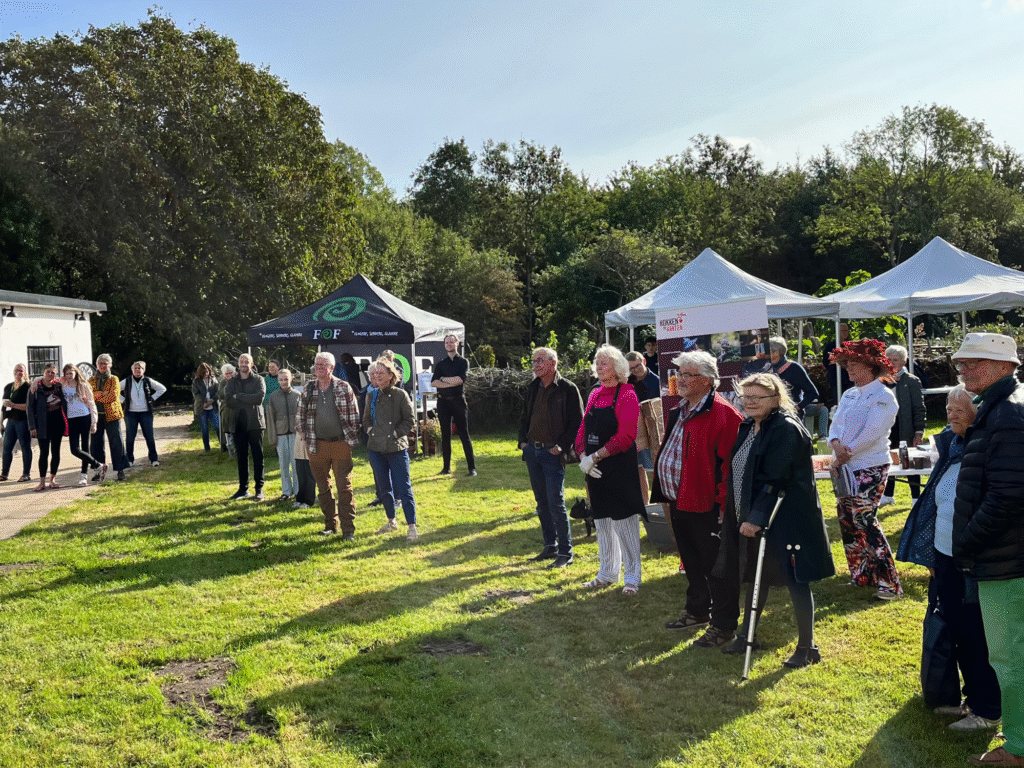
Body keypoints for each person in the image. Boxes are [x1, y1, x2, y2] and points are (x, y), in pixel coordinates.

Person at [897, 384, 1001, 732]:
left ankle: (988, 709)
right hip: (946, 557)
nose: (950, 414)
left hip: (974, 559)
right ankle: (969, 699)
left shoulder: (987, 449)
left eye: (959, 408)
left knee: (978, 633)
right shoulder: (954, 446)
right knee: (956, 628)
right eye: (947, 406)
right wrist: (934, 554)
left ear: (980, 413)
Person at [713, 373, 835, 667]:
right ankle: (747, 636)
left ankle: (808, 647)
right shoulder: (747, 426)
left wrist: (756, 518)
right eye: (746, 397)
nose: (750, 402)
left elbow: (774, 479)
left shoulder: (785, 429)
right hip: (752, 515)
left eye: (758, 397)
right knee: (757, 577)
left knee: (795, 580)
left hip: (787, 517)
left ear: (776, 399)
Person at [949, 333, 1024, 766]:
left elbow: (1009, 495)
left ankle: (1018, 747)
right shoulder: (998, 408)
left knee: (1011, 661)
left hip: (1006, 560)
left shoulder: (1007, 413)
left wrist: (967, 541)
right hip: (1006, 556)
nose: (965, 370)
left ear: (1005, 366)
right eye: (962, 363)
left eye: (976, 362)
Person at [651, 350, 743, 647]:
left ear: (707, 379)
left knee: (717, 567)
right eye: (679, 374)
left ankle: (724, 625)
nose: (680, 379)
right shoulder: (681, 408)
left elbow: (731, 466)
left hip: (707, 504)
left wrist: (723, 506)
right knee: (691, 561)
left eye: (688, 375)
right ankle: (697, 610)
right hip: (679, 499)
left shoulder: (723, 413)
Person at [827, 338, 903, 600]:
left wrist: (844, 454)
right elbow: (835, 424)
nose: (848, 368)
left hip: (870, 465)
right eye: (847, 363)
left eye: (854, 364)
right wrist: (835, 444)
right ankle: (861, 575)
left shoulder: (884, 397)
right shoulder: (849, 394)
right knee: (848, 522)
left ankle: (889, 583)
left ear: (871, 367)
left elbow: (873, 432)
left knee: (865, 521)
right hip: (845, 465)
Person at [574, 345, 647, 594]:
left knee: (624, 523)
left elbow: (626, 436)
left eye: (604, 363)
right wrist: (582, 454)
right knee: (602, 521)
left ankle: (633, 577)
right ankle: (607, 572)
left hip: (618, 468)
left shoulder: (627, 393)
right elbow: (582, 430)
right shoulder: (595, 394)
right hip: (594, 470)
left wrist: (594, 457)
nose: (599, 366)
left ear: (617, 368)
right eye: (597, 362)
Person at [519, 347, 584, 568]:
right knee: (541, 502)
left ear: (553, 363)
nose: (536, 365)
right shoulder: (533, 387)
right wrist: (523, 443)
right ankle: (550, 546)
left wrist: (560, 447)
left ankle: (566, 553)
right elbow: (524, 416)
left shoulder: (567, 389)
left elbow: (577, 423)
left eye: (540, 361)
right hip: (533, 451)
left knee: (555, 502)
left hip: (552, 452)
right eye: (534, 361)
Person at [297, 351, 361, 538]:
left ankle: (348, 529)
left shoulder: (343, 387)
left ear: (331, 368)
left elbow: (355, 417)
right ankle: (330, 525)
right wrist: (307, 438)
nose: (318, 368)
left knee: (344, 486)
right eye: (316, 365)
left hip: (340, 444)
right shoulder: (308, 388)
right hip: (316, 446)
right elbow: (299, 417)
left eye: (322, 365)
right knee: (323, 487)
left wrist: (349, 438)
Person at [364, 359, 419, 541]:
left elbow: (410, 421)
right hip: (376, 448)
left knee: (404, 488)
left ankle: (412, 526)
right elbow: (365, 420)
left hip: (396, 448)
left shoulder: (400, 395)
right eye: (374, 373)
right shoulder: (371, 396)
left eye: (380, 373)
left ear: (390, 375)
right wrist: (371, 431)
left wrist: (395, 433)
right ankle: (391, 521)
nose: (376, 376)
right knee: (383, 488)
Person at [879, 344, 926, 507]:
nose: (891, 363)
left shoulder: (912, 381)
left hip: (906, 426)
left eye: (895, 360)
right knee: (888, 459)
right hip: (887, 426)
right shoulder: (881, 380)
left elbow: (919, 408)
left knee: (910, 460)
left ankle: (915, 497)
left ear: (904, 362)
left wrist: (919, 431)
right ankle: (888, 495)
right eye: (889, 359)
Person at [432, 334, 476, 477]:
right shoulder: (440, 364)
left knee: (464, 434)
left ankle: (472, 468)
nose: (449, 344)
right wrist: (448, 381)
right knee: (445, 435)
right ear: (444, 345)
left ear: (457, 343)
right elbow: (434, 383)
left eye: (452, 341)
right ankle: (446, 468)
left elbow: (460, 380)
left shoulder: (463, 362)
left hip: (458, 401)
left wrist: (443, 380)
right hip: (443, 402)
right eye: (447, 342)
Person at [223, 353, 266, 501]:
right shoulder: (232, 382)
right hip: (238, 424)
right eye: (241, 362)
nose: (243, 364)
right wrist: (248, 398)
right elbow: (228, 401)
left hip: (255, 423)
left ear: (252, 364)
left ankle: (259, 489)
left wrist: (239, 396)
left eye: (246, 362)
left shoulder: (259, 379)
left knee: (257, 456)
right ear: (238, 364)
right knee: (241, 457)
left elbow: (259, 398)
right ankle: (243, 489)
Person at [60, 363, 105, 486]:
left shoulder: (83, 385)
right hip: (71, 420)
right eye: (67, 373)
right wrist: (36, 380)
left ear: (76, 373)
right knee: (74, 449)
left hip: (84, 417)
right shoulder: (63, 385)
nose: (69, 375)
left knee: (85, 447)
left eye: (71, 373)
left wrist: (94, 422)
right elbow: (46, 378)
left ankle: (83, 476)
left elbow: (91, 404)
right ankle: (98, 465)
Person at [626, 351, 660, 504]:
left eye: (637, 365)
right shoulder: (628, 382)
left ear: (644, 362)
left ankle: (661, 504)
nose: (635, 370)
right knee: (638, 469)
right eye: (631, 368)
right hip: (635, 432)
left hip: (655, 432)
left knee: (656, 470)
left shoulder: (657, 381)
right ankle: (645, 504)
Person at [26, 364, 67, 491]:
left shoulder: (59, 386)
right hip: (42, 425)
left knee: (56, 452)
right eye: (48, 372)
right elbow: (30, 408)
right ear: (43, 373)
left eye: (53, 373)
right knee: (44, 453)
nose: (50, 374)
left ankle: (52, 480)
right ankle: (42, 481)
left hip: (58, 423)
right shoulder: (35, 388)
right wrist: (32, 426)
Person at [88, 354, 128, 481]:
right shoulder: (91, 380)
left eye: (105, 363)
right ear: (97, 365)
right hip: (96, 417)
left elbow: (112, 397)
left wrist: (97, 395)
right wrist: (101, 394)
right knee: (96, 445)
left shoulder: (114, 379)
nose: (103, 365)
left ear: (110, 365)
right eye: (100, 363)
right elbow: (89, 396)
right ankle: (98, 470)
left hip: (112, 416)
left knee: (116, 442)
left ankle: (120, 470)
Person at [120, 361, 166, 467]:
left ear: (143, 370)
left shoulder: (147, 380)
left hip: (146, 413)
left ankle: (154, 459)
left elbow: (162, 388)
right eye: (135, 368)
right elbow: (114, 390)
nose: (137, 370)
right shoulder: (127, 381)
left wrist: (152, 398)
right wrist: (123, 400)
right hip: (131, 413)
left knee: (149, 436)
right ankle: (129, 460)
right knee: (130, 437)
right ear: (132, 370)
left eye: (140, 368)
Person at [266, 368, 299, 501]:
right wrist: (272, 437)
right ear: (278, 380)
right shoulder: (273, 397)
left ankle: (298, 490)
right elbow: (270, 418)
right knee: (284, 464)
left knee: (296, 464)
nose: (284, 382)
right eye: (281, 379)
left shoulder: (297, 395)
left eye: (286, 379)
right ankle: (286, 491)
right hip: (280, 434)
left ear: (291, 378)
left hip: (295, 434)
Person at [1, 363, 32, 482]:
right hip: (10, 421)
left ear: (25, 373)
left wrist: (13, 405)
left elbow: (29, 407)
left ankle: (26, 474)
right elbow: (4, 405)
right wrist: (1, 421)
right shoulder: (8, 386)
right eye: (17, 370)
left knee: (25, 447)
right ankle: (4, 473)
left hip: (23, 421)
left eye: (21, 370)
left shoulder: (27, 388)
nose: (19, 372)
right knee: (7, 447)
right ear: (14, 372)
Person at [191, 363, 221, 453]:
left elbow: (218, 391)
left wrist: (212, 400)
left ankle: (223, 445)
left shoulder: (213, 379)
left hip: (212, 407)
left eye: (207, 371)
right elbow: (196, 394)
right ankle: (207, 449)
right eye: (204, 372)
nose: (206, 374)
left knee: (217, 426)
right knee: (204, 429)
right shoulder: (196, 382)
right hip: (201, 408)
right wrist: (204, 403)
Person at [822, 322, 853, 402]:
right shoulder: (830, 346)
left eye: (846, 330)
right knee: (838, 401)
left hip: (849, 378)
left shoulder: (851, 346)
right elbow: (826, 361)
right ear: (838, 331)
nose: (845, 333)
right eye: (843, 331)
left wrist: (838, 360)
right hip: (835, 378)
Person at [218, 364, 236, 456]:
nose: (229, 375)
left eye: (230, 373)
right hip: (227, 409)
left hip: (238, 408)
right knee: (228, 431)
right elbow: (221, 395)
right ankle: (230, 450)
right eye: (227, 373)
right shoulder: (223, 382)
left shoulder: (239, 379)